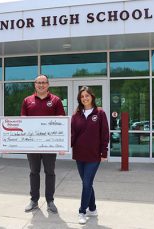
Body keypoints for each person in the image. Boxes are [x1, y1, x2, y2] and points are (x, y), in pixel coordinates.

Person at [21, 74, 66, 214]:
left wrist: (61, 144)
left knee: (50, 172)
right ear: (35, 84)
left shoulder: (56, 100)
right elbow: (23, 122)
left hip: (49, 145)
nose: (41, 85)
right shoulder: (27, 100)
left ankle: (50, 201)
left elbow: (61, 122)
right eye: (38, 82)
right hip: (33, 145)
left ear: (48, 84)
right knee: (34, 172)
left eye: (44, 82)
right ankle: (34, 200)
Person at [71, 86, 109, 224]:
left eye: (87, 96)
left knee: (87, 183)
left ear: (92, 97)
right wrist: (63, 146)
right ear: (79, 99)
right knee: (87, 183)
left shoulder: (100, 113)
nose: (85, 98)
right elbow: (72, 134)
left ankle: (82, 211)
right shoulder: (76, 115)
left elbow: (104, 134)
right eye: (82, 97)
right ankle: (92, 209)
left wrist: (104, 152)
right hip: (79, 154)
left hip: (94, 155)